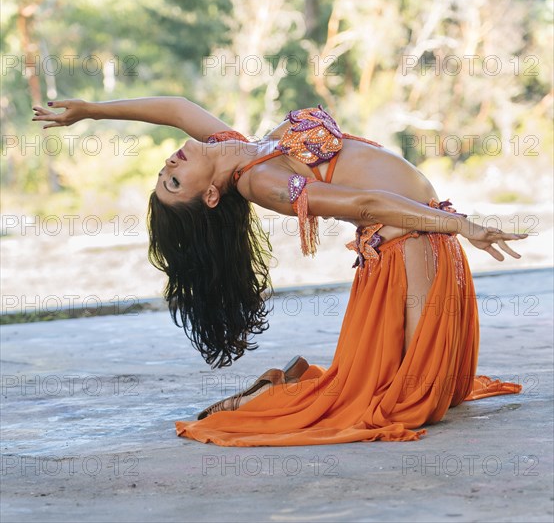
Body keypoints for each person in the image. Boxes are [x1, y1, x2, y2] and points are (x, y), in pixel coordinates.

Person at [32, 97, 527, 446]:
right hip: (411, 246)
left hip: (426, 232)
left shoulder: (238, 146)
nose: (169, 165)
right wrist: (462, 224)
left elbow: (176, 108)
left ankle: (290, 387)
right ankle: (275, 396)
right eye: (174, 181)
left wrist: (91, 111)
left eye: (164, 175)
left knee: (431, 390)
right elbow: (367, 201)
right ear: (209, 196)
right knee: (410, 403)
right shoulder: (262, 182)